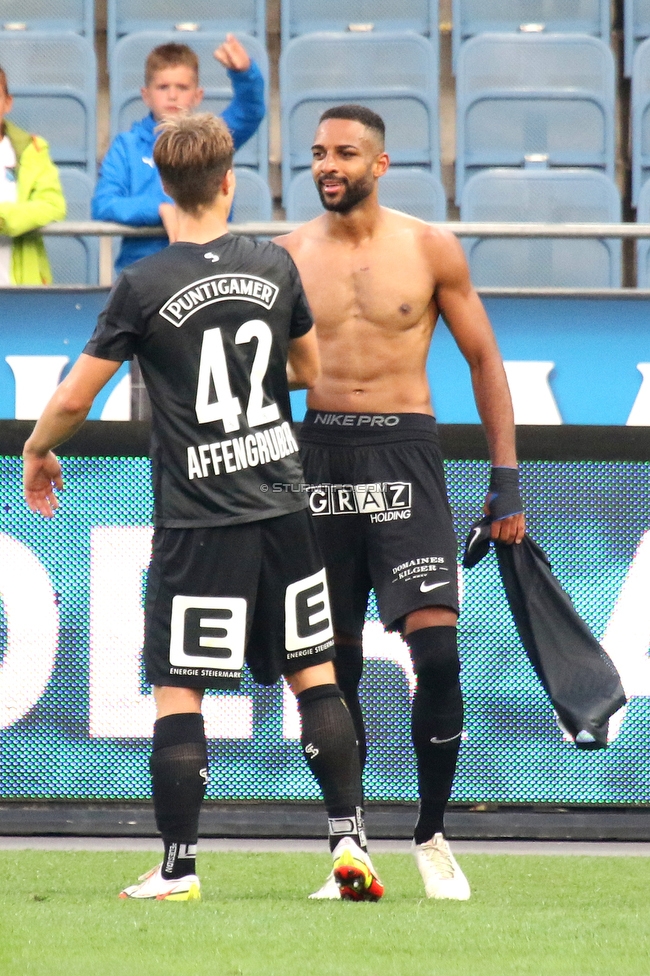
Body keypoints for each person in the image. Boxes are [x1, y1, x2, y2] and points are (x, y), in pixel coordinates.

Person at [23, 113, 383, 904]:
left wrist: (36, 447)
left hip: (199, 519)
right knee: (313, 674)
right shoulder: (273, 266)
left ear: (162, 186)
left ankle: (180, 866)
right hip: (285, 505)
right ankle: (349, 844)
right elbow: (305, 370)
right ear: (230, 181)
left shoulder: (144, 285)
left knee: (180, 688)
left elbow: (79, 396)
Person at [276, 104, 526, 901]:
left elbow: (484, 358)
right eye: (318, 153)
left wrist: (506, 479)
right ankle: (348, 843)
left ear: (379, 165)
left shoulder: (428, 247)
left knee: (439, 653)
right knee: (332, 662)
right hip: (317, 455)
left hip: (406, 452)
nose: (328, 165)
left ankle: (431, 834)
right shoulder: (283, 256)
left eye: (344, 153)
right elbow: (259, 377)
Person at [92, 36, 265, 273]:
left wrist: (246, 75)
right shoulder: (127, 146)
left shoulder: (211, 138)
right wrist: (160, 209)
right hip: (143, 272)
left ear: (198, 95)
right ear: (146, 95)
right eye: (163, 87)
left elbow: (250, 111)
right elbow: (104, 204)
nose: (172, 96)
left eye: (182, 87)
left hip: (207, 270)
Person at [0, 66, 66, 285]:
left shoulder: (33, 149)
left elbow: (53, 205)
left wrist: (4, 218)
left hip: (20, 288)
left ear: (8, 102)